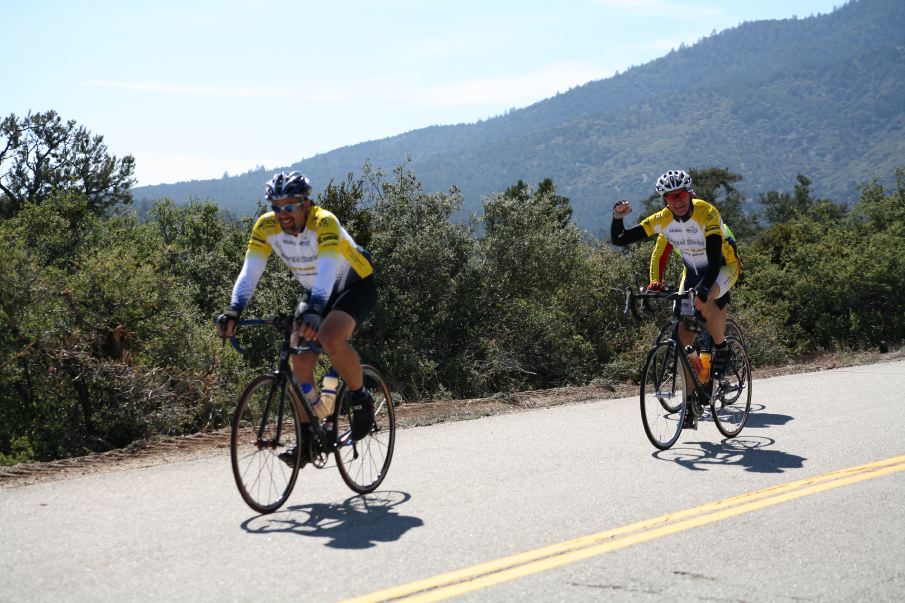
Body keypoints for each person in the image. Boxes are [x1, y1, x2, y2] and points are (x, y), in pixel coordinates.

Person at [216, 171, 377, 464]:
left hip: (355, 285)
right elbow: (250, 271)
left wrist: (315, 310)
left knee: (329, 337)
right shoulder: (266, 228)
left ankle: (360, 397)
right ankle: (311, 436)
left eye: (289, 206)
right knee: (299, 361)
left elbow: (328, 269)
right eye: (276, 207)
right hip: (316, 291)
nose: (282, 214)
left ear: (306, 204)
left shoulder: (323, 222)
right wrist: (234, 309)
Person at [611, 170, 740, 426]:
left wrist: (704, 290)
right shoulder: (663, 219)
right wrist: (617, 217)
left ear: (689, 194)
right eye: (670, 197)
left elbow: (714, 259)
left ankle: (721, 347)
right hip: (691, 272)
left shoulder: (707, 212)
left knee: (707, 301)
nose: (676, 201)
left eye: (680, 195)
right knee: (683, 338)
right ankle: (693, 400)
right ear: (665, 201)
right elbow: (620, 239)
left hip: (723, 266)